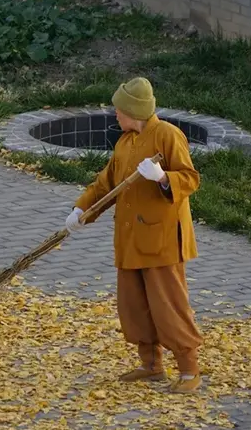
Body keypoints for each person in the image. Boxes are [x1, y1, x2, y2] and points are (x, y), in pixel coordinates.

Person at [65, 77, 202, 394]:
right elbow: (105, 185)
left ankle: (188, 370)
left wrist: (163, 177)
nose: (115, 115)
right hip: (130, 240)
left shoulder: (167, 135)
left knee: (169, 306)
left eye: (118, 110)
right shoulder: (125, 144)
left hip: (161, 241)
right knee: (135, 306)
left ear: (134, 111)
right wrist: (81, 210)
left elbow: (190, 178)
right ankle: (151, 366)